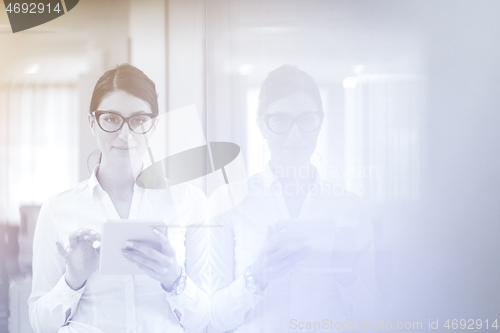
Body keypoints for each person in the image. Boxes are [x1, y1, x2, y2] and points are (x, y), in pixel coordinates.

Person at [28, 64, 210, 333]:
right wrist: (73, 279)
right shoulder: (57, 209)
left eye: (138, 120)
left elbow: (204, 321)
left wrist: (174, 278)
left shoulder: (190, 202)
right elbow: (39, 325)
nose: (125, 135)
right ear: (93, 123)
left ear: (154, 124)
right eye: (112, 119)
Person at [209, 65, 378, 332]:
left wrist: (348, 278)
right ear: (261, 124)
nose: (295, 135)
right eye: (280, 121)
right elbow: (210, 321)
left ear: (320, 122)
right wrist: (257, 275)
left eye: (307, 120)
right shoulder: (228, 202)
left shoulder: (351, 208)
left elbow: (373, 320)